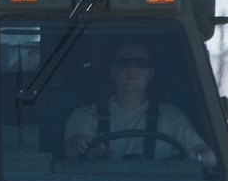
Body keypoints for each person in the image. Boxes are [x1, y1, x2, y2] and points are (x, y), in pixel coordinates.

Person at [63, 38, 215, 166]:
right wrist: (86, 152)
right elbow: (71, 153)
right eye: (124, 63)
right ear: (112, 70)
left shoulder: (173, 118)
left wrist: (195, 159)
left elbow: (209, 157)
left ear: (151, 73)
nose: (132, 71)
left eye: (140, 64)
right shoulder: (84, 116)